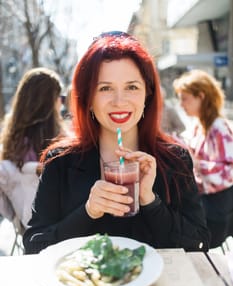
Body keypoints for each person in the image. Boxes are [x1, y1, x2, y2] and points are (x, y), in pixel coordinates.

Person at [23, 31, 210, 254]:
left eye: (132, 87)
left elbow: (200, 243)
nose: (119, 101)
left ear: (147, 95)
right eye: (105, 88)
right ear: (88, 99)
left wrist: (150, 201)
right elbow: (34, 246)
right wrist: (88, 211)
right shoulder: (60, 162)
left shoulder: (176, 160)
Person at [0, 67, 67, 228]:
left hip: (27, 228)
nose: (62, 103)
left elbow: (5, 206)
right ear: (50, 102)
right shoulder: (63, 144)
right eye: (61, 97)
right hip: (64, 228)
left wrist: (16, 220)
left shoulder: (11, 147)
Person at [173, 69, 233, 248]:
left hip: (217, 205)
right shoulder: (198, 125)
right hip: (205, 200)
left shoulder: (219, 128)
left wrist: (197, 164)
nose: (181, 104)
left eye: (185, 98)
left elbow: (229, 171)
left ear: (201, 96)